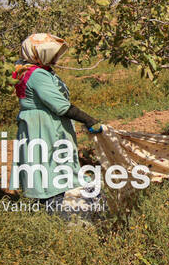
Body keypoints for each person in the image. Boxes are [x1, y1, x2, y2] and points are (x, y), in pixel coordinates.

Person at [11, 33, 103, 209]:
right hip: (45, 128)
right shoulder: (38, 75)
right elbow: (60, 106)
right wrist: (89, 120)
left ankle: (51, 209)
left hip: (34, 126)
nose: (56, 58)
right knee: (56, 165)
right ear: (39, 54)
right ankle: (73, 212)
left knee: (42, 167)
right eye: (51, 54)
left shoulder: (23, 68)